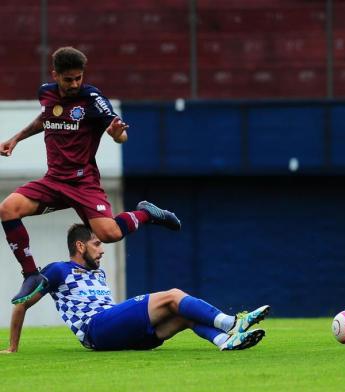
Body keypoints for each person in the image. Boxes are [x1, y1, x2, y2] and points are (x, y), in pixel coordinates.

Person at [0, 46, 181, 304]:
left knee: (109, 234)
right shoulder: (46, 93)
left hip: (83, 183)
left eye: (78, 78)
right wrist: (16, 138)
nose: (75, 84)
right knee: (8, 209)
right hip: (53, 181)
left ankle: (146, 213)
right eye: (68, 79)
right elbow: (45, 118)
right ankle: (31, 275)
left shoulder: (92, 98)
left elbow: (118, 130)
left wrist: (118, 134)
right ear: (55, 75)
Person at [0, 224, 270, 353]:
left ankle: (226, 341)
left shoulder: (98, 272)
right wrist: (13, 347)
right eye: (97, 244)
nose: (102, 250)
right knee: (174, 295)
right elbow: (22, 303)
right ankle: (232, 322)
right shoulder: (58, 269)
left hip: (114, 329)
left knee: (182, 316)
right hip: (96, 329)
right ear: (80, 246)